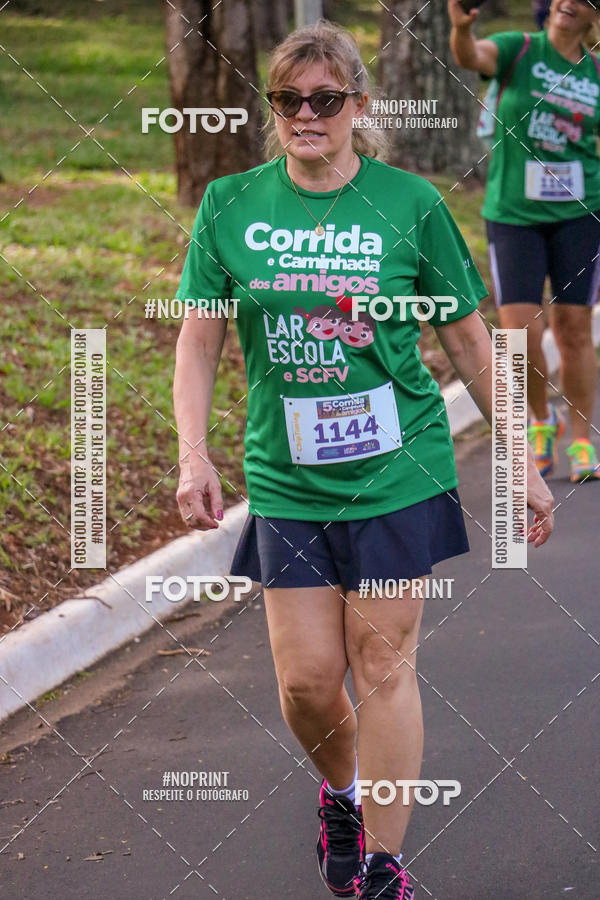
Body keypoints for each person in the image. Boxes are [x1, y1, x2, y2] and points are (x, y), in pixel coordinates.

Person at [173, 20, 554, 899]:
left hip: (396, 469)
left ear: (359, 104)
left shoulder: (409, 204)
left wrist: (520, 461)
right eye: (288, 99)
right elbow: (198, 339)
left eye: (325, 99)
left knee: (381, 663)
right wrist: (194, 455)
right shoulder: (231, 204)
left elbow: (469, 339)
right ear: (273, 108)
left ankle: (383, 865)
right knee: (308, 684)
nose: (306, 115)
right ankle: (341, 794)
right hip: (287, 476)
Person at [449, 0, 600, 484]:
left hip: (580, 214)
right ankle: (540, 419)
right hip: (515, 215)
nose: (568, 2)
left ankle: (582, 439)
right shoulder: (519, 49)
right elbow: (470, 56)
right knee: (520, 332)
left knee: (574, 328)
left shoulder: (596, 73)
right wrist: (461, 28)